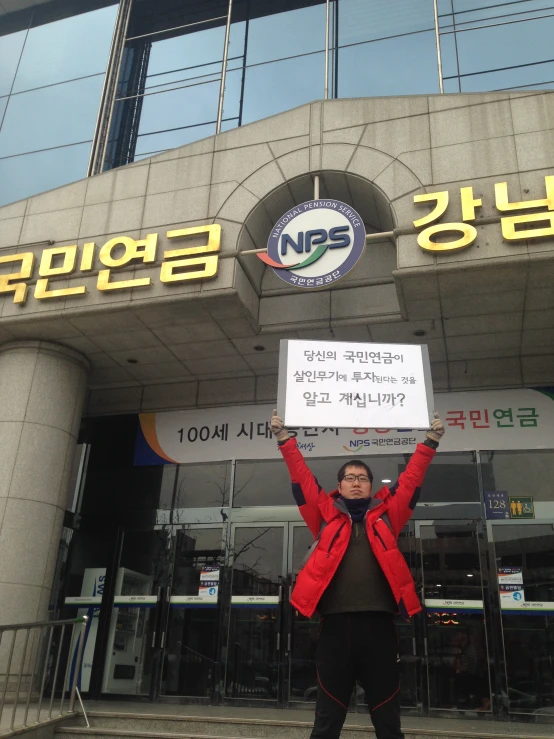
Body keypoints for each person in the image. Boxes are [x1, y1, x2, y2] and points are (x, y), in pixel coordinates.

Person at [270, 410, 445, 739]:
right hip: (335, 628)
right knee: (327, 719)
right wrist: (284, 440)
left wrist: (430, 442)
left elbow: (410, 481)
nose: (355, 482)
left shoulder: (388, 516)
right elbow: (303, 480)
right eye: (349, 477)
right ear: (339, 486)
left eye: (362, 478)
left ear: (371, 486)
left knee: (388, 719)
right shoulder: (324, 515)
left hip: (380, 627)